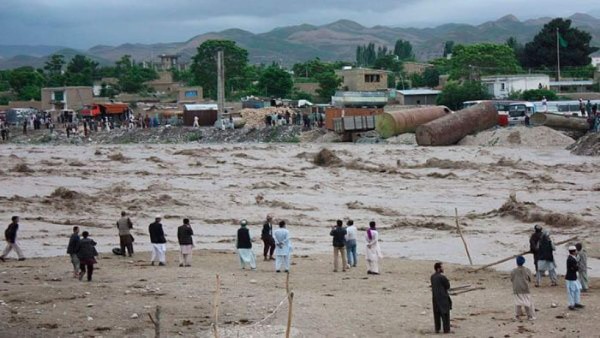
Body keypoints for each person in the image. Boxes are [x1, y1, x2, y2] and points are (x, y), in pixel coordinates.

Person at [511, 256, 535, 321]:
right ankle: (530, 316)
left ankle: (517, 316)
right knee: (528, 303)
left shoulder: (513, 271)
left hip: (517, 289)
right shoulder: (527, 270)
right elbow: (530, 279)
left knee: (517, 303)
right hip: (525, 289)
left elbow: (512, 279)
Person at [431, 262, 452, 334]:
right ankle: (446, 330)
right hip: (443, 298)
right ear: (438, 269)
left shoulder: (432, 277)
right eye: (442, 267)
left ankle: (437, 329)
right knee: (445, 314)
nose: (443, 268)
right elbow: (448, 286)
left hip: (435, 298)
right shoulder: (442, 277)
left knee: (437, 314)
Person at [566, 246, 584, 310]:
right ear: (573, 252)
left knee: (577, 290)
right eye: (575, 251)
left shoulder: (573, 258)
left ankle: (576, 302)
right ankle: (571, 305)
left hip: (574, 277)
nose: (576, 252)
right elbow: (574, 268)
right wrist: (578, 267)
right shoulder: (570, 259)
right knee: (571, 291)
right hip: (570, 278)